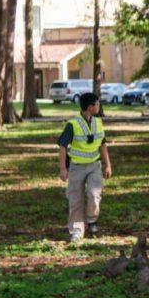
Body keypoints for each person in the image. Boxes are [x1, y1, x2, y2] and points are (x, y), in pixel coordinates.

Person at [57, 92, 111, 243]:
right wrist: (63, 168)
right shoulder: (72, 125)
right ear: (90, 107)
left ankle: (92, 220)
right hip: (77, 167)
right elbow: (62, 146)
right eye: (97, 104)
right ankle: (76, 230)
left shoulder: (98, 123)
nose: (99, 107)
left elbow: (103, 144)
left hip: (94, 166)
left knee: (94, 195)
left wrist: (108, 165)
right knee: (76, 199)